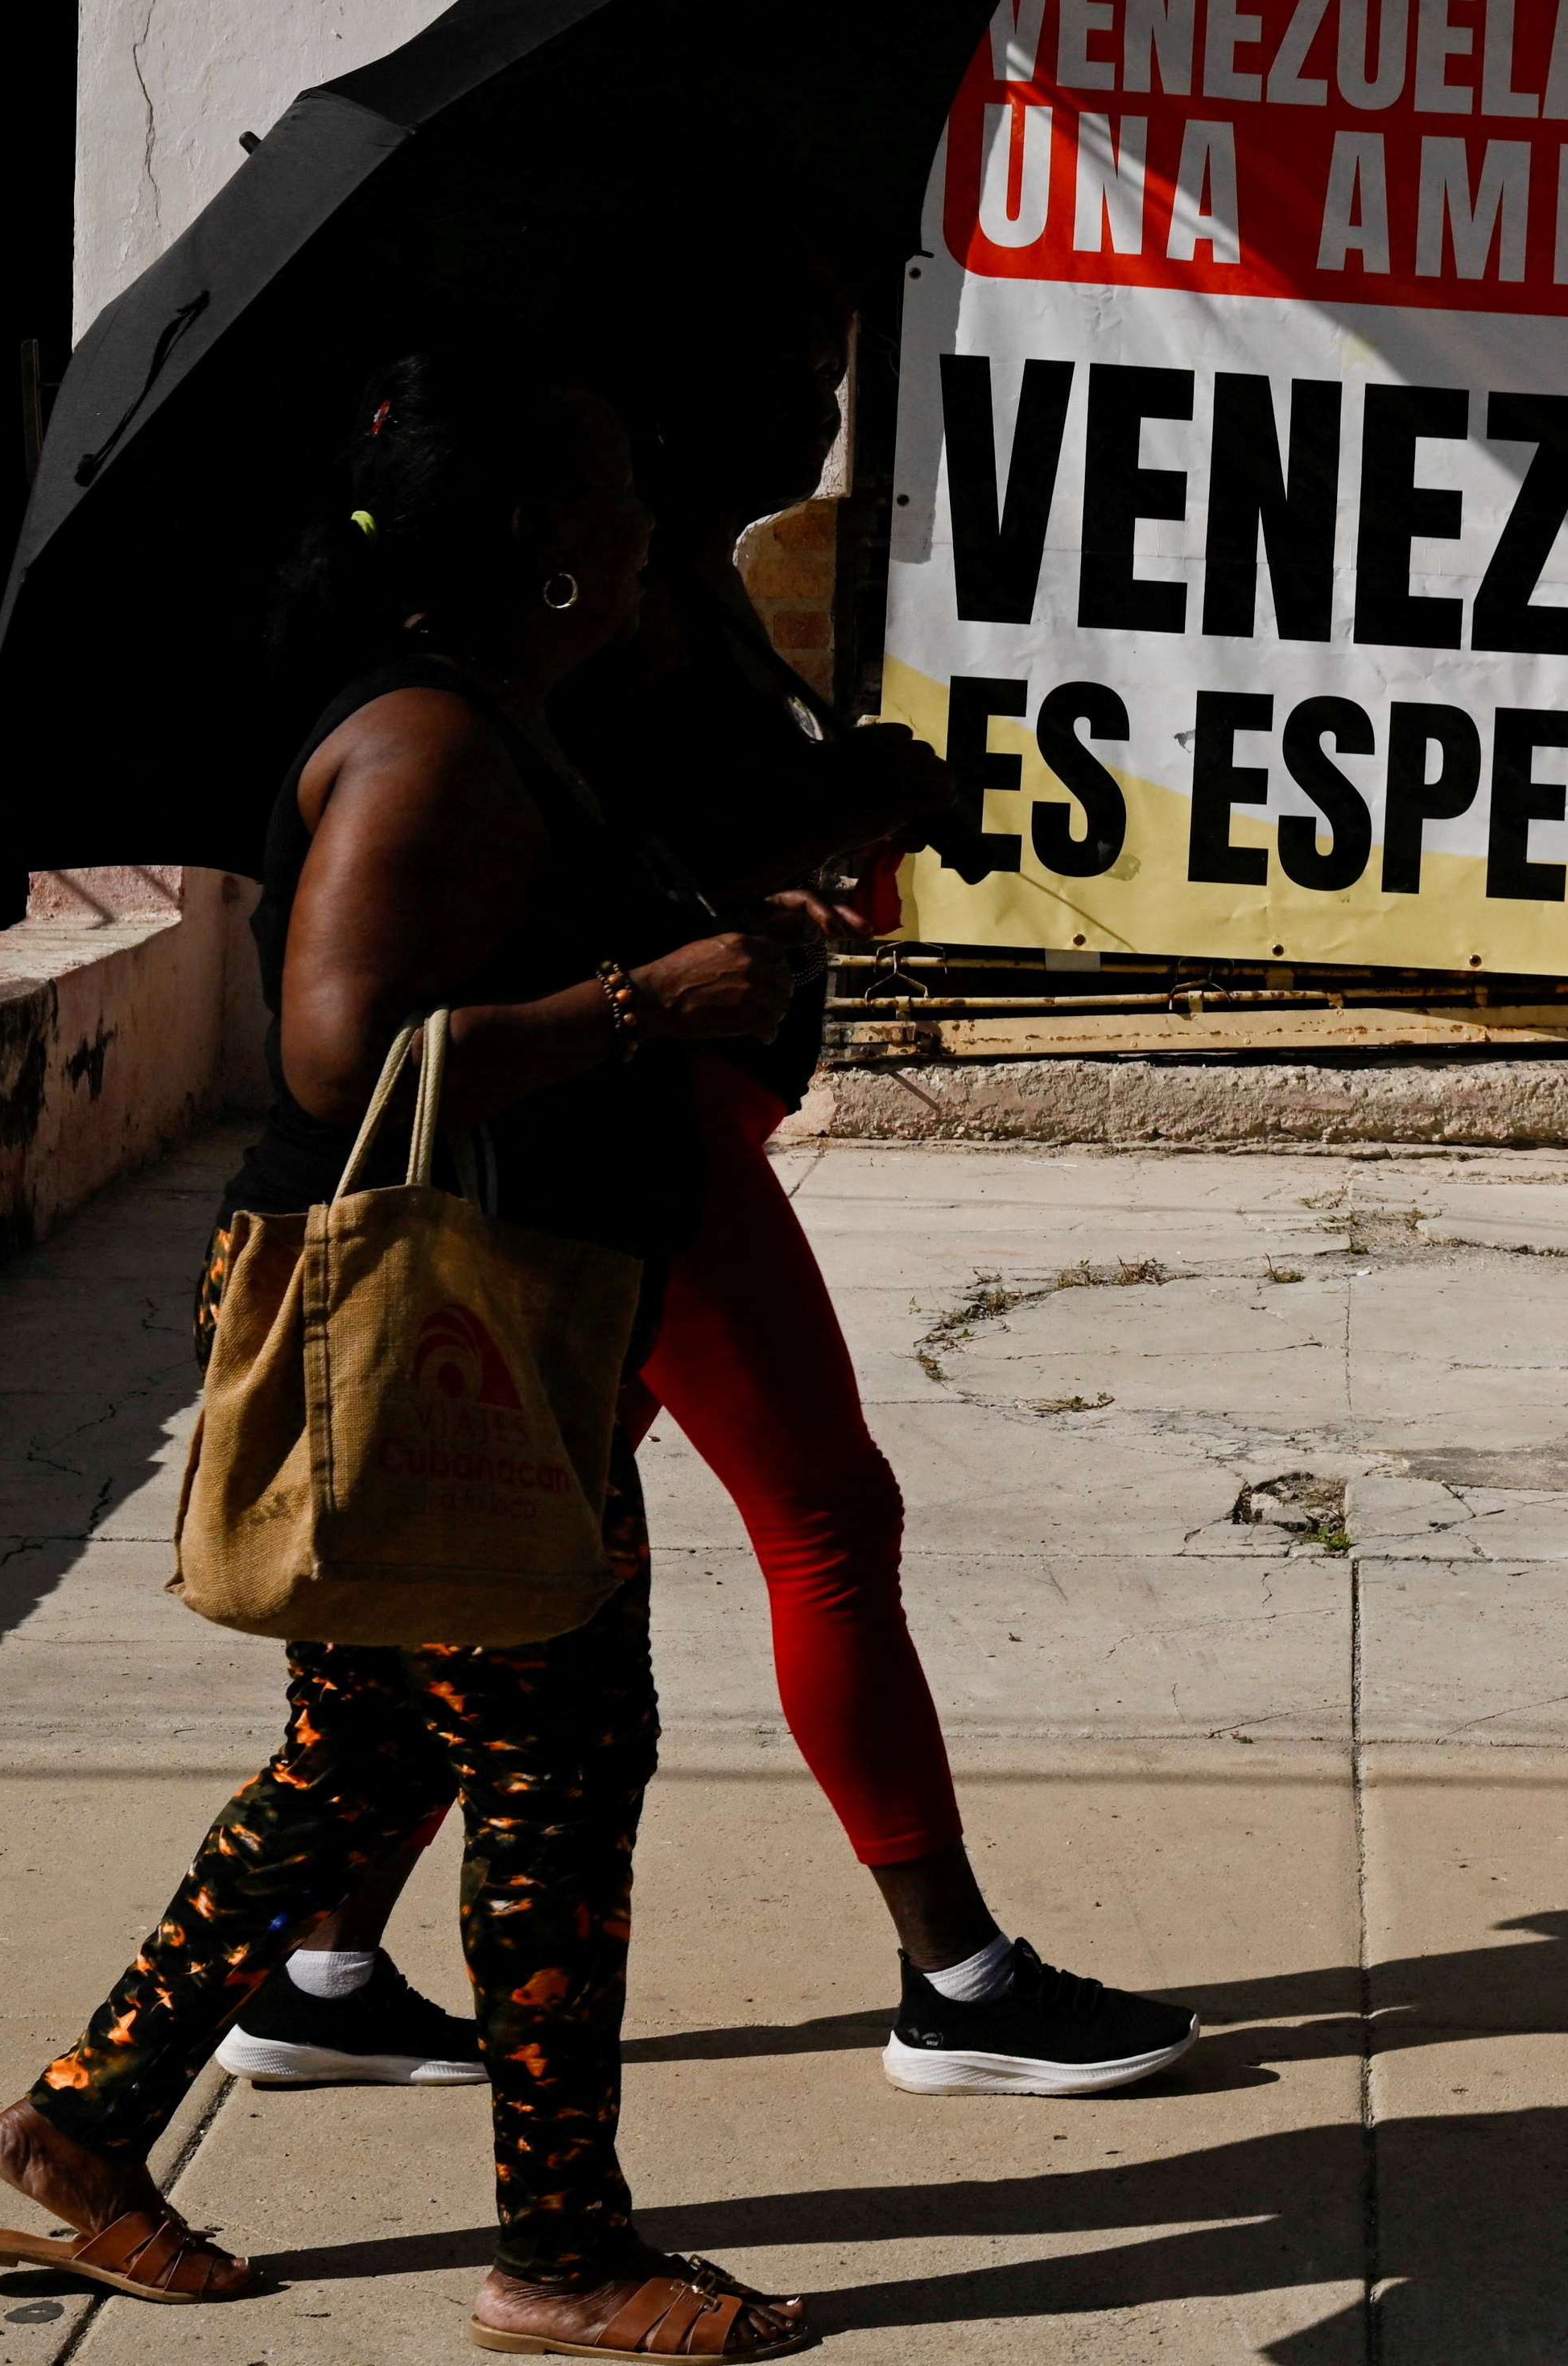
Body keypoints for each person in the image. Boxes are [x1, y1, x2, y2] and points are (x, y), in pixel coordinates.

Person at [0, 358, 819, 2358]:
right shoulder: (429, 739)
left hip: (499, 1310)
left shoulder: (510, 719)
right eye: (605, 474)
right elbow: (342, 1053)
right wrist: (642, 997)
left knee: (372, 1753)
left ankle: (86, 2126)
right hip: (447, 1330)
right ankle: (566, 2255)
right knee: (562, 1761)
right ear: (531, 540)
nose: (635, 512)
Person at [568, 300, 1203, 2098]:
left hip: (704, 1110)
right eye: (771, 375)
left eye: (822, 378)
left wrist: (845, 810)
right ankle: (959, 1979)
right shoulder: (618, 612)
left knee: (533, 1544)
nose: (812, 408)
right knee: (829, 1517)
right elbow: (629, 867)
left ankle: (314, 1952)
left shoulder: (703, 584)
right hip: (655, 1118)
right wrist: (819, 815)